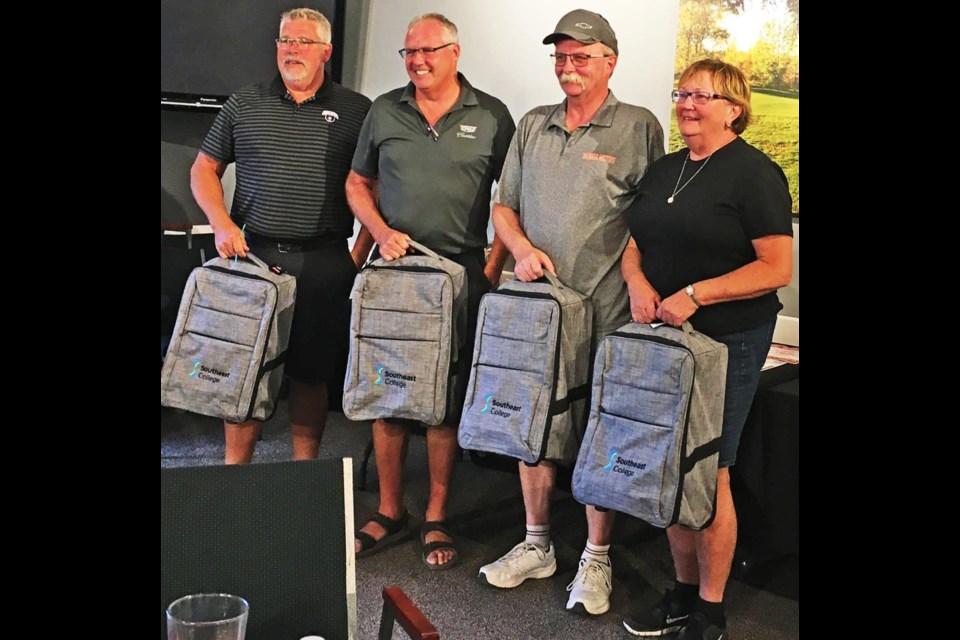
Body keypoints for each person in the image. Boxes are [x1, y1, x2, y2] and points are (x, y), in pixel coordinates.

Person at [478, 9, 664, 616]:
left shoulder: (637, 126)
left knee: (598, 431)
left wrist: (639, 283)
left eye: (581, 56)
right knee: (531, 426)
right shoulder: (533, 124)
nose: (568, 66)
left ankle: (596, 556)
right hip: (536, 313)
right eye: (559, 56)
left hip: (607, 311)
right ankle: (537, 543)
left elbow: (650, 222)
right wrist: (522, 249)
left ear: (610, 61)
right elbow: (504, 207)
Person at [620, 59, 793, 640]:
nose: (687, 104)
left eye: (702, 95)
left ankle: (711, 608)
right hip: (666, 335)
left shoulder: (754, 174)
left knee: (709, 469)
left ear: (734, 108)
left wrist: (697, 293)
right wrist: (638, 284)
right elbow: (633, 244)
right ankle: (682, 590)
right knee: (671, 463)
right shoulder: (665, 169)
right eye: (682, 92)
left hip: (729, 341)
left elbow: (777, 267)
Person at [345, 13, 515, 570]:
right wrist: (379, 230)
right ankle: (389, 509)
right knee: (386, 387)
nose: (418, 61)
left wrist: (491, 267)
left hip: (459, 273)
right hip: (393, 271)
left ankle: (437, 514)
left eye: (429, 51)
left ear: (455, 52)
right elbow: (357, 183)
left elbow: (509, 199)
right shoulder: (384, 110)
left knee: (443, 399)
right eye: (409, 52)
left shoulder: (491, 115)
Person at [190, 8, 372, 464]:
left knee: (311, 377)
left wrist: (357, 256)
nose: (292, 49)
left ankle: (302, 475)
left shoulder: (357, 110)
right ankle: (235, 475)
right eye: (285, 40)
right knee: (244, 369)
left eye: (304, 42)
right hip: (253, 257)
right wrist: (221, 223)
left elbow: (374, 188)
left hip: (325, 262)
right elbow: (203, 169)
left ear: (326, 51)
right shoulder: (244, 102)